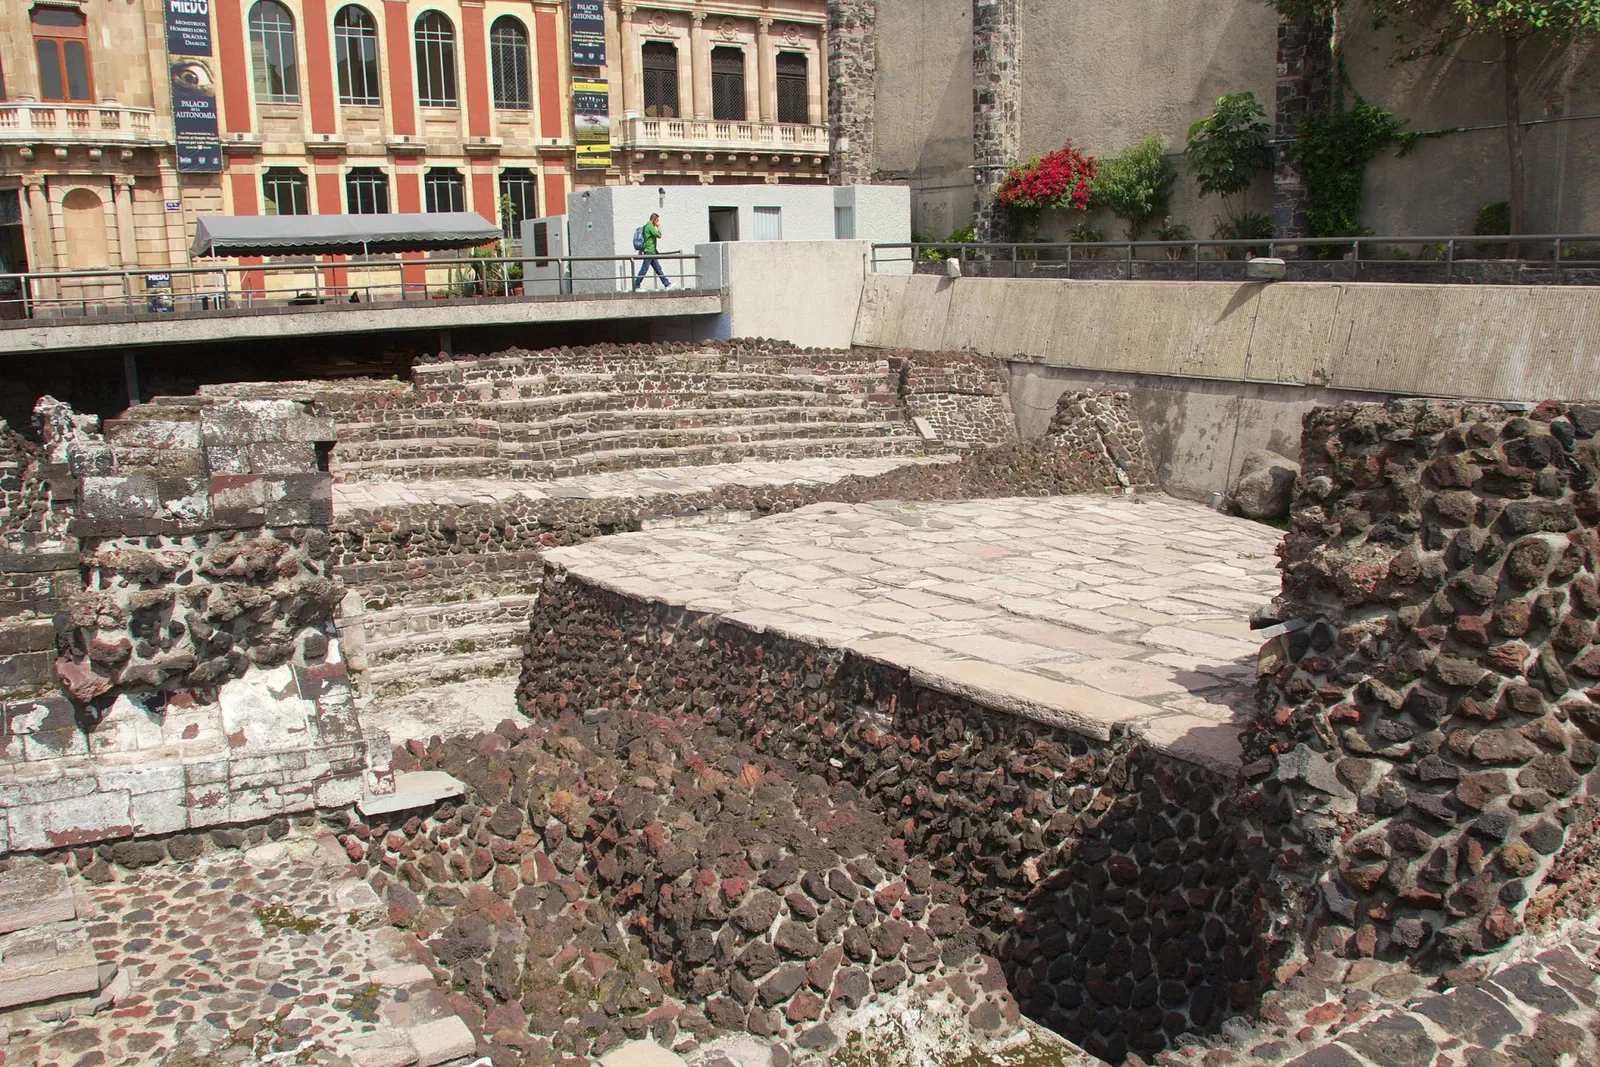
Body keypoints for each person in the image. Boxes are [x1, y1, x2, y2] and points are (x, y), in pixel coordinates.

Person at [633, 213, 671, 291]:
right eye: (657, 220)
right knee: (644, 268)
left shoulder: (647, 226)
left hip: (651, 251)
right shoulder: (650, 226)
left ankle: (667, 284)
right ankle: (636, 285)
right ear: (654, 219)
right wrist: (659, 227)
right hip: (649, 251)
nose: (658, 222)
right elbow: (659, 235)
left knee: (658, 268)